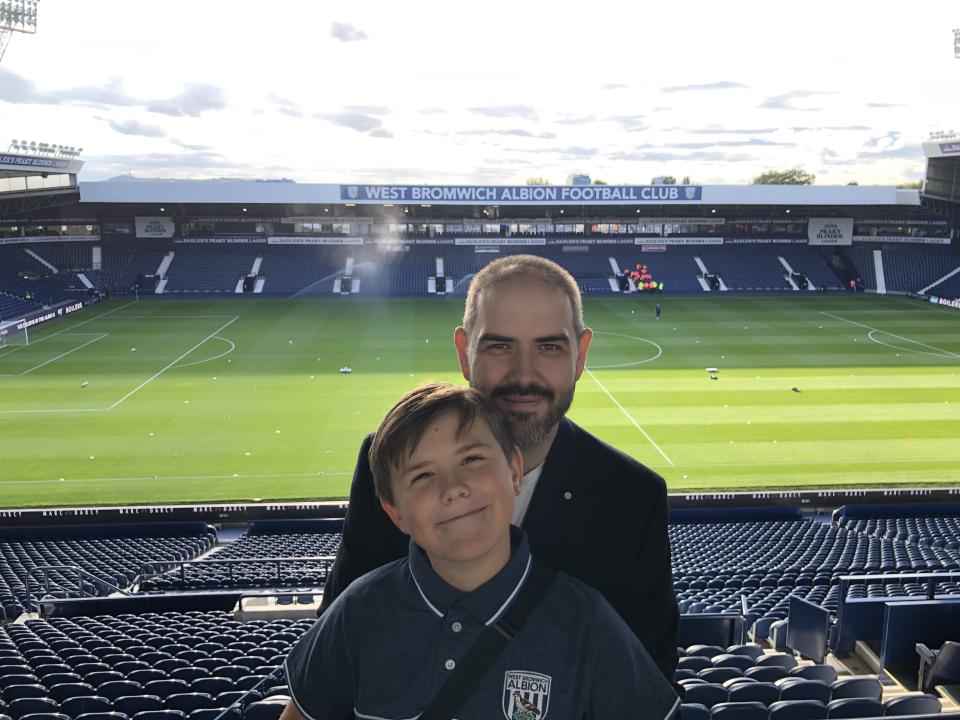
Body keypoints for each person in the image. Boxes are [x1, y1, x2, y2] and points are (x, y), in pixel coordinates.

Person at [320, 254, 679, 681]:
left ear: (580, 357)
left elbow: (648, 676)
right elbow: (337, 644)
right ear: (464, 351)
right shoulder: (388, 464)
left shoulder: (631, 497)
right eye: (498, 345)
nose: (523, 374)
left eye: (549, 347)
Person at [282, 383, 680, 720]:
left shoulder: (587, 622)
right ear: (394, 513)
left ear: (514, 472)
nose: (453, 487)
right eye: (422, 475)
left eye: (472, 458)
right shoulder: (356, 614)